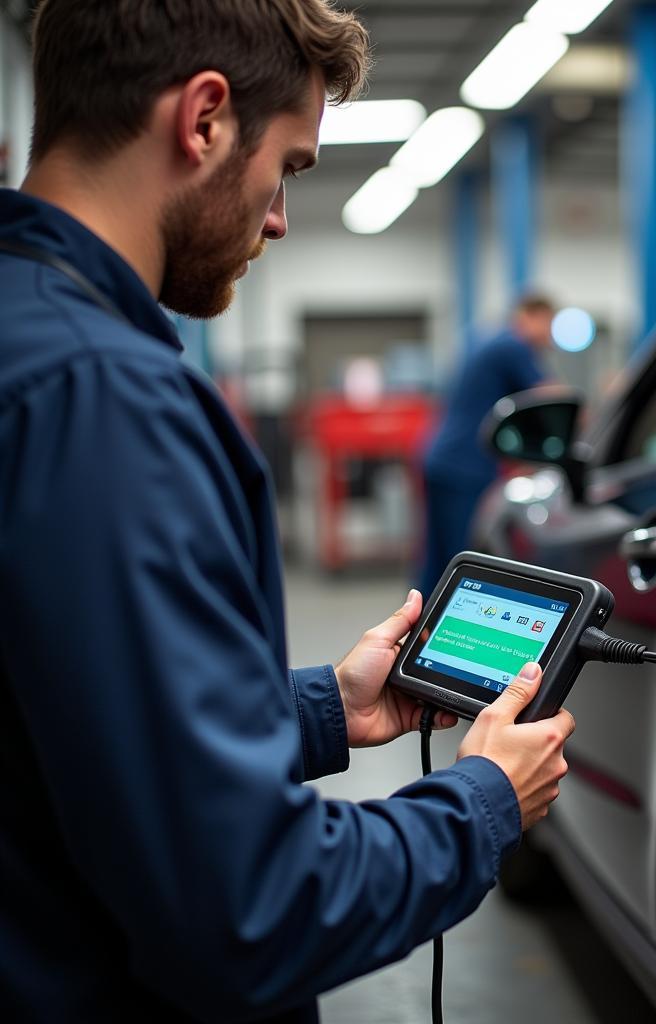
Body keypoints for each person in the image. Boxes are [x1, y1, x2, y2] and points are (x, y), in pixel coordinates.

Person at [0, 3, 574, 1022]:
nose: (277, 219)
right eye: (291, 168)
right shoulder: (109, 401)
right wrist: (481, 800)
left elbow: (62, 718)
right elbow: (247, 907)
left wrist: (316, 709)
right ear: (206, 119)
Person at [417, 295, 555, 594]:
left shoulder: (488, 341)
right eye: (549, 324)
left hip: (441, 456)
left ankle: (422, 623)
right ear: (533, 316)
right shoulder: (514, 345)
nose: (550, 337)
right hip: (465, 465)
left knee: (438, 555)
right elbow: (548, 397)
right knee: (463, 556)